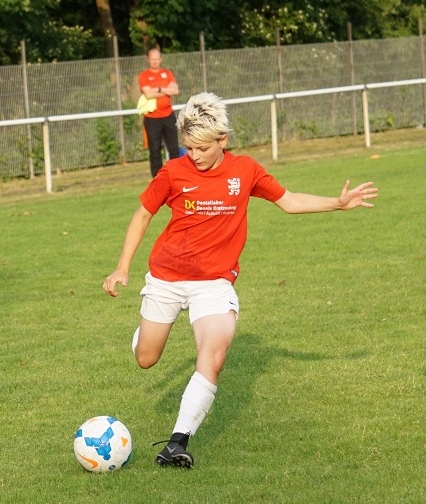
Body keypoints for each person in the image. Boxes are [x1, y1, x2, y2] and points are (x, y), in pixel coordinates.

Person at [103, 92, 378, 469]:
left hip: (214, 284)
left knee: (213, 356)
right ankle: (144, 334)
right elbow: (142, 215)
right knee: (146, 359)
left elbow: (288, 201)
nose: (194, 156)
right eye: (189, 148)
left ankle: (177, 443)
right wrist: (122, 267)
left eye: (202, 148)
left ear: (223, 140)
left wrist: (336, 203)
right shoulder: (173, 172)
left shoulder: (245, 170)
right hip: (167, 277)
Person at [138, 46, 181, 177]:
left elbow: (175, 90)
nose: (155, 61)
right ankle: (158, 178)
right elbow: (148, 94)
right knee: (155, 150)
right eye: (152, 59)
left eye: (157, 59)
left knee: (173, 148)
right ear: (148, 60)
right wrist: (166, 90)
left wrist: (158, 89)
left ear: (161, 59)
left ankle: (176, 175)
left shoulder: (167, 73)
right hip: (152, 118)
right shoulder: (144, 75)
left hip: (168, 116)